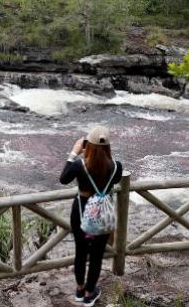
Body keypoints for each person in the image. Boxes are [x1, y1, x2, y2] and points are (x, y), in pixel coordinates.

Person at [61, 126, 123, 306]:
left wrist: (74, 152)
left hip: (81, 212)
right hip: (103, 214)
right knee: (96, 255)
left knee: (80, 252)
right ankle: (90, 293)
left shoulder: (79, 165)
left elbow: (64, 178)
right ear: (108, 146)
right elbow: (116, 180)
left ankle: (80, 290)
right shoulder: (117, 167)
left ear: (87, 145)